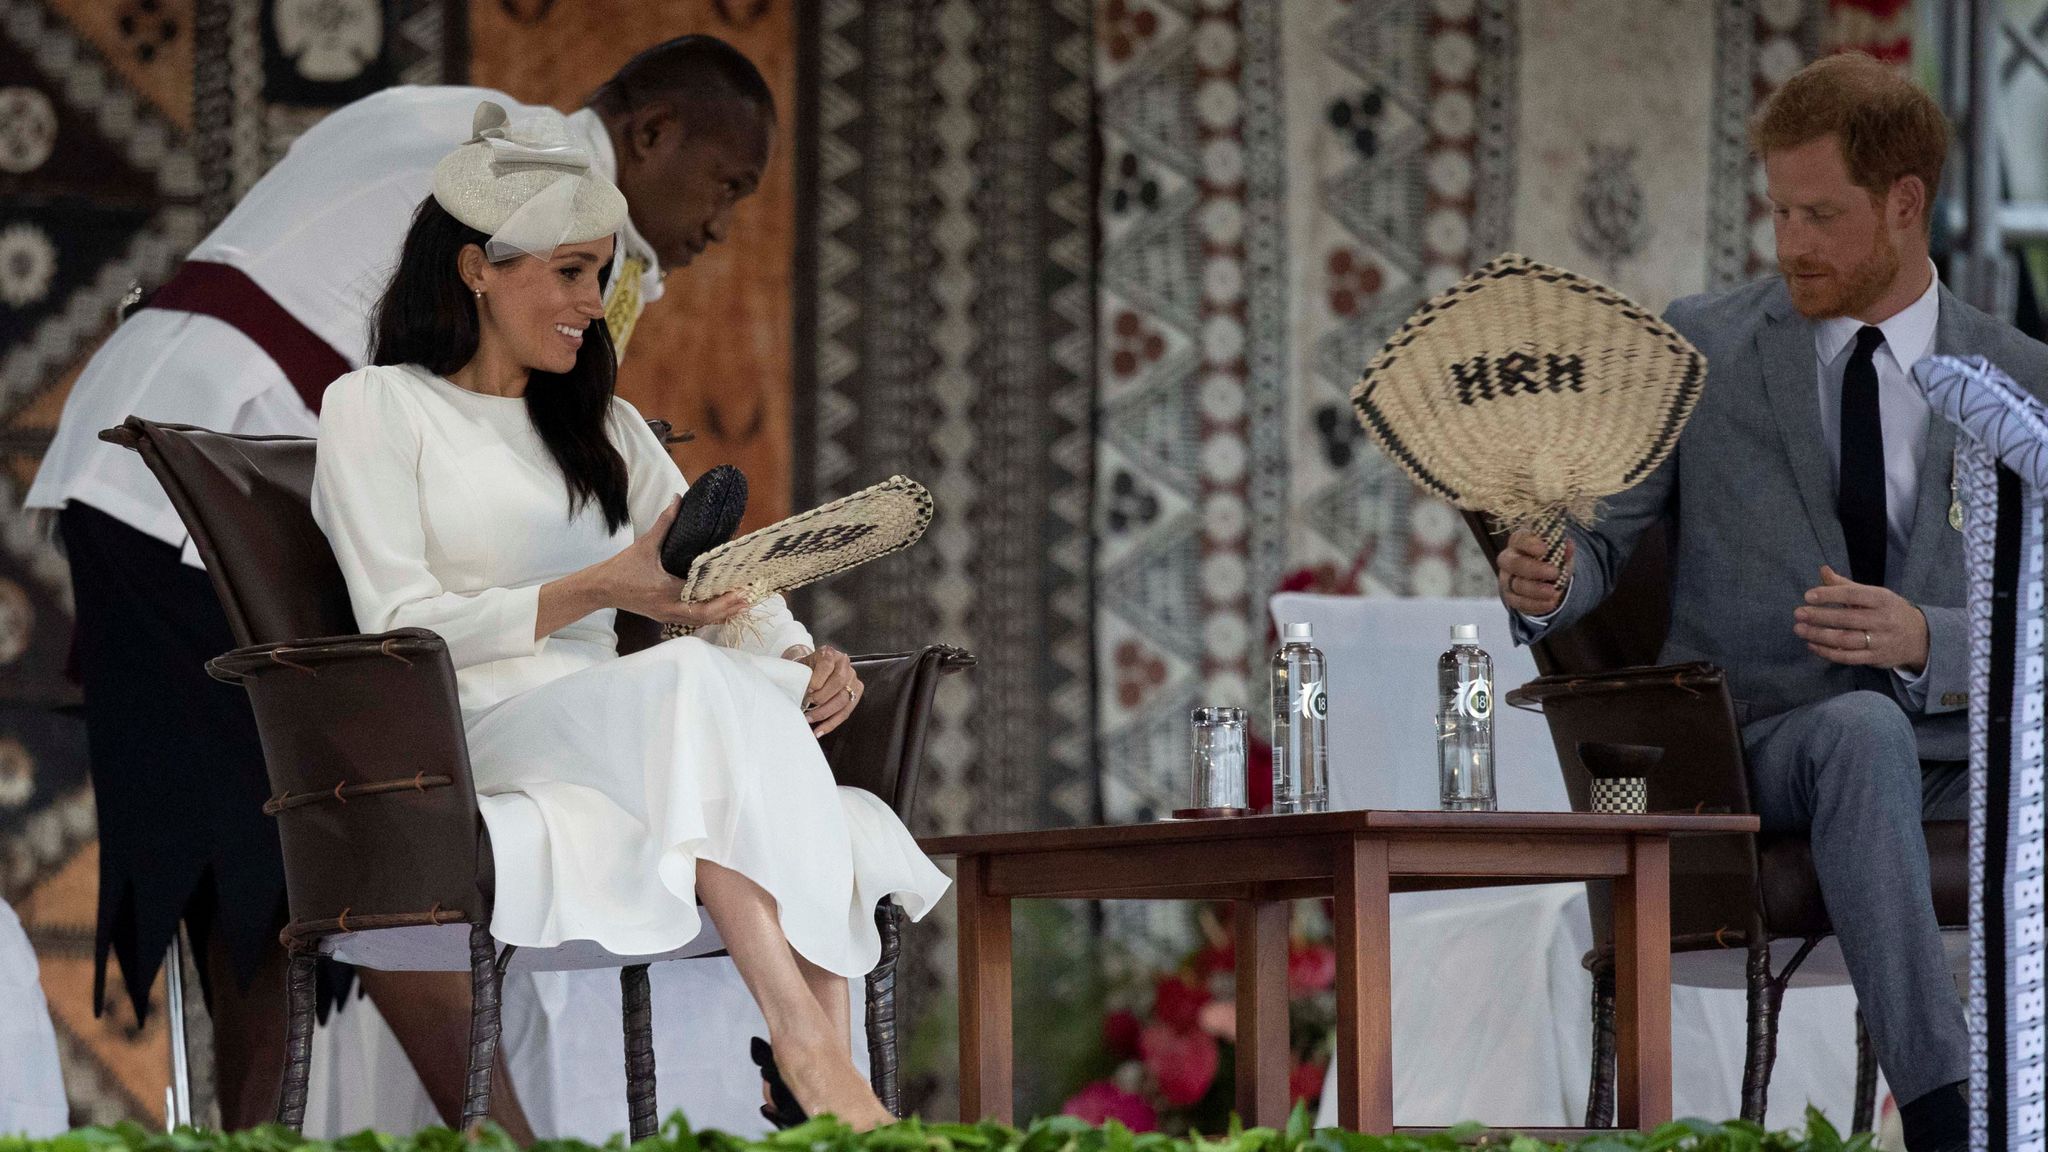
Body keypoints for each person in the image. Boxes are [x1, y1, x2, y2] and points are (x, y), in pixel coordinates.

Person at [25, 36, 779, 1131]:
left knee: (330, 851)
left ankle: (444, 1130)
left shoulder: (466, 128)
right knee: (298, 853)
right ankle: (457, 1133)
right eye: (724, 186)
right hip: (206, 485)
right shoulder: (515, 165)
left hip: (219, 488)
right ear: (651, 133)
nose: (719, 224)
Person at [310, 99, 946, 1132]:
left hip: (622, 724)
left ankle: (818, 1079)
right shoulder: (377, 407)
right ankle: (807, 1046)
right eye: (567, 272)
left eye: (599, 273)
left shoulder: (600, 425)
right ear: (476, 267)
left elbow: (711, 576)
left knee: (749, 685)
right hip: (471, 729)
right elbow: (396, 626)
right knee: (696, 682)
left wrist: (801, 652)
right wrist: (597, 590)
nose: (590, 299)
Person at [1495, 52, 2047, 1152]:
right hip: (1757, 746)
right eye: (1776, 210)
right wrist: (1551, 576)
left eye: (1819, 214)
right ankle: (1948, 1117)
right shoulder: (1698, 342)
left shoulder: (2019, 374)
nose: (1788, 242)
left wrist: (1929, 640)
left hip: (1956, 749)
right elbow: (1600, 539)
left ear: (1903, 205)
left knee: (1908, 734)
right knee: (1854, 732)